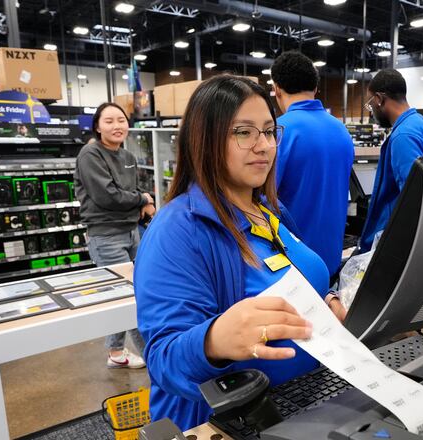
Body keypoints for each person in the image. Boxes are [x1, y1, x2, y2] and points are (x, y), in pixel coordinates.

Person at [134, 75, 347, 431]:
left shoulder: (267, 210)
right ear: (206, 140)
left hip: (299, 405)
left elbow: (288, 278)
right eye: (244, 132)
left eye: (268, 131)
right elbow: (163, 359)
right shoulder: (178, 230)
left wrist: (326, 299)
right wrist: (214, 339)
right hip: (231, 423)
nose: (263, 145)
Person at [74, 102, 155, 369]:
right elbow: (106, 196)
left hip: (132, 231)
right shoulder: (90, 155)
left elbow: (132, 188)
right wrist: (142, 197)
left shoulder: (127, 157)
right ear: (97, 126)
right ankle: (153, 358)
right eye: (109, 121)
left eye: (121, 120)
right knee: (130, 297)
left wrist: (143, 200)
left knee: (132, 292)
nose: (117, 126)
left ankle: (115, 352)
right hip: (106, 235)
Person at [271, 51, 354, 276]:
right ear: (315, 88)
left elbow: (261, 202)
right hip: (331, 264)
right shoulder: (342, 131)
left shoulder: (278, 132)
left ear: (276, 88)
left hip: (292, 267)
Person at [358, 68, 423, 252]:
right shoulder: (418, 123)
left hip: (393, 242)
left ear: (379, 99)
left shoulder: (403, 136)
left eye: (370, 105)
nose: (372, 112)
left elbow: (413, 199)